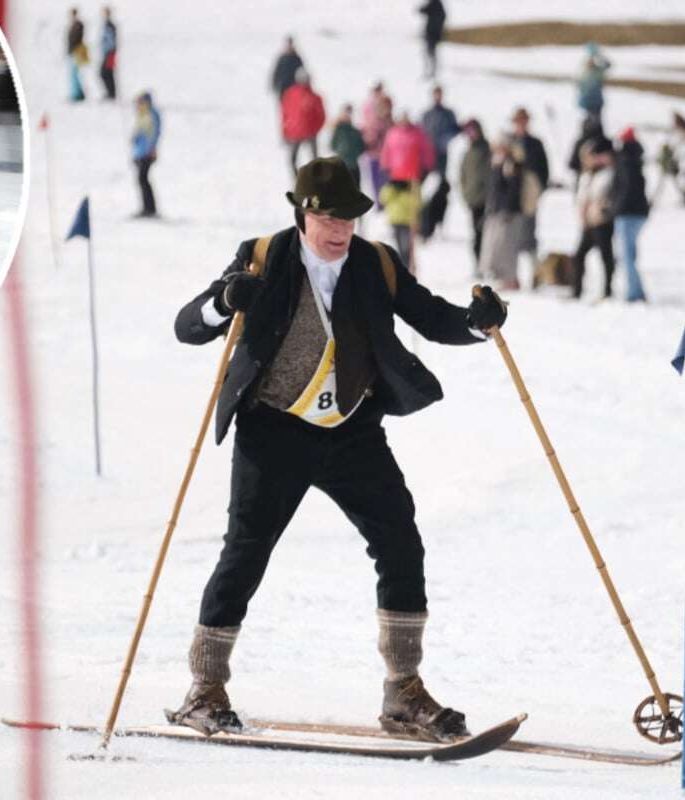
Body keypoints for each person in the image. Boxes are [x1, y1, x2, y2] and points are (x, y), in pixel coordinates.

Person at [166, 156, 507, 741]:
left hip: (351, 430)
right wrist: (225, 301)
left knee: (399, 539)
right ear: (302, 214)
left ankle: (404, 691)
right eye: (328, 218)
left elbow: (429, 316)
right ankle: (204, 689)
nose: (340, 231)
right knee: (246, 552)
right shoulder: (262, 257)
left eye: (349, 218)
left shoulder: (375, 263)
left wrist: (477, 323)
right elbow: (188, 326)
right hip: (273, 430)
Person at [570, 139, 617, 300]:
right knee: (579, 255)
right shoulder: (586, 176)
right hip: (588, 223)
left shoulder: (607, 173)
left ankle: (608, 291)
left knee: (605, 256)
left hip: (602, 221)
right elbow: (582, 197)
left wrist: (602, 209)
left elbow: (604, 196)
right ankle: (577, 291)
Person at [479, 135, 524, 290]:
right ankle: (503, 277)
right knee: (496, 247)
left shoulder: (511, 165)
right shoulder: (495, 164)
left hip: (508, 213)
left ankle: (510, 279)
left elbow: (512, 189)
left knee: (507, 247)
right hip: (495, 211)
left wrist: (507, 209)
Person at [610, 128, 650, 302]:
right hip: (638, 213)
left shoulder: (625, 162)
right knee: (629, 254)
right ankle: (636, 290)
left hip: (627, 214)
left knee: (626, 255)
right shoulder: (636, 160)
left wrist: (614, 208)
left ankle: (634, 293)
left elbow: (625, 190)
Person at [509, 107, 549, 260]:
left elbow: (544, 169)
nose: (521, 124)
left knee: (529, 230)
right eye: (518, 121)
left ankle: (533, 269)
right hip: (511, 195)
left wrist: (539, 188)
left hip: (529, 193)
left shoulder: (535, 144)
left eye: (523, 121)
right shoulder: (510, 142)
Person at [279, 68, 325, 177]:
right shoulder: (290, 94)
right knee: (293, 160)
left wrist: (314, 129)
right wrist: (285, 130)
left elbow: (321, 116)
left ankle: (315, 182)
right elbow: (285, 114)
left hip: (309, 133)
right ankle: (299, 182)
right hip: (295, 133)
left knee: (314, 160)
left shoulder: (314, 97)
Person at [458, 119, 491, 267]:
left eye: (473, 131)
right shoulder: (468, 153)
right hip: (473, 199)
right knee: (476, 233)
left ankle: (487, 263)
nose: (471, 135)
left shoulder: (487, 150)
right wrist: (465, 193)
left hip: (488, 200)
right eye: (468, 132)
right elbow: (462, 175)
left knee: (487, 233)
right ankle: (478, 263)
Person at [379, 109, 435, 186]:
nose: (404, 120)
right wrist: (385, 166)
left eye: (406, 117)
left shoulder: (418, 133)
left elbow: (427, 151)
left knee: (413, 196)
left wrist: (427, 167)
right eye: (402, 118)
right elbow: (386, 151)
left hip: (414, 175)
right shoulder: (392, 133)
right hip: (396, 175)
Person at [379, 179, 421, 271]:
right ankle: (404, 266)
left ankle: (408, 266)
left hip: (407, 222)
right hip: (395, 221)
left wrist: (407, 190)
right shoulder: (391, 187)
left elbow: (416, 204)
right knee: (400, 246)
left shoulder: (412, 187)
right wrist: (392, 187)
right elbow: (383, 199)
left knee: (406, 247)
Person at [131, 90, 161, 218]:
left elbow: (153, 134)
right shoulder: (142, 114)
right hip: (140, 152)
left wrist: (151, 149)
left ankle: (149, 208)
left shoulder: (150, 115)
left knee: (143, 179)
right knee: (141, 180)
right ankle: (146, 207)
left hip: (147, 152)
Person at [420, 85, 458, 179]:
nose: (437, 97)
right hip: (428, 153)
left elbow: (455, 130)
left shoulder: (448, 114)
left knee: (441, 179)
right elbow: (421, 132)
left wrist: (445, 140)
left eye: (439, 94)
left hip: (442, 152)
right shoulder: (427, 114)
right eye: (436, 94)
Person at [329, 103, 365, 188]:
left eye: (349, 113)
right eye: (346, 113)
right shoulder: (338, 130)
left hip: (354, 166)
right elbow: (332, 146)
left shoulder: (355, 131)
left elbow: (361, 147)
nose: (347, 115)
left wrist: (354, 153)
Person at [577, 42, 610, 125]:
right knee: (592, 119)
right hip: (589, 100)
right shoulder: (585, 72)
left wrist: (598, 56)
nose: (591, 62)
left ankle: (594, 132)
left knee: (595, 120)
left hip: (596, 100)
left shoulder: (597, 71)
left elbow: (608, 65)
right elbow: (580, 86)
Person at [417, 0, 446, 78]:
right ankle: (431, 71)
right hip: (434, 33)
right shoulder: (438, 4)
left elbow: (422, 10)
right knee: (430, 53)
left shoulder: (434, 3)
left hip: (431, 33)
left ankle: (430, 72)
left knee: (429, 53)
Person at [270, 36, 304, 101]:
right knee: (284, 103)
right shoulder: (282, 58)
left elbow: (302, 72)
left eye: (290, 44)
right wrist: (274, 82)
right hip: (283, 86)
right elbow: (277, 71)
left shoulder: (297, 58)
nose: (289, 46)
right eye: (288, 44)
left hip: (294, 86)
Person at [67, 8, 87, 102]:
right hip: (72, 51)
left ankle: (77, 94)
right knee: (73, 73)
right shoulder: (73, 25)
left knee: (74, 73)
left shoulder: (79, 24)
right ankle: (79, 93)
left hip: (76, 51)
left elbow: (77, 39)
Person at [99, 6, 118, 101]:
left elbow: (111, 40)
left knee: (106, 72)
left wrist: (110, 50)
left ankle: (111, 93)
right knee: (106, 72)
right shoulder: (107, 24)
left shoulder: (110, 25)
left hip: (110, 52)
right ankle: (111, 93)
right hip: (107, 52)